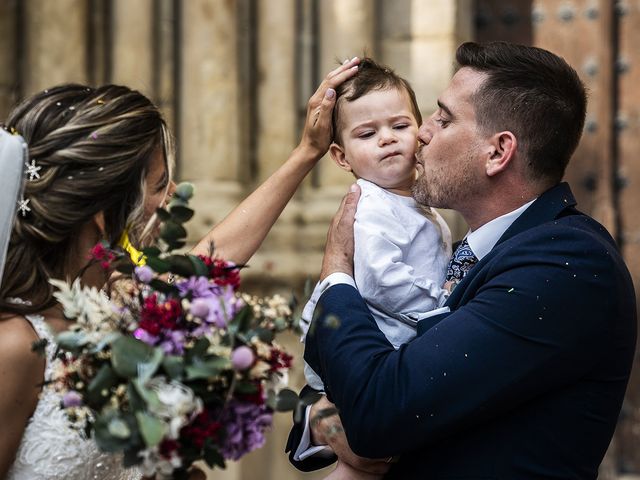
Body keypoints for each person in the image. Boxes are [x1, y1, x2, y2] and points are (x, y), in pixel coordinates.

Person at [289, 42, 637, 479]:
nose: (421, 132)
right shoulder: (465, 252)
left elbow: (381, 411)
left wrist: (336, 274)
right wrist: (325, 421)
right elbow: (343, 392)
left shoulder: (566, 265)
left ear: (497, 152)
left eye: (444, 118)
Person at [0, 57, 359, 480]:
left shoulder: (122, 304)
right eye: (158, 186)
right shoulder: (17, 346)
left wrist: (307, 151)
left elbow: (215, 260)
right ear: (103, 215)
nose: (172, 194)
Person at [298, 58, 451, 480]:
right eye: (367, 133)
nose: (386, 139)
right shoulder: (368, 208)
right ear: (341, 156)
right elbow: (380, 281)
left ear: (420, 131)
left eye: (399, 126)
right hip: (373, 349)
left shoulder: (421, 206)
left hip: (398, 349)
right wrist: (445, 302)